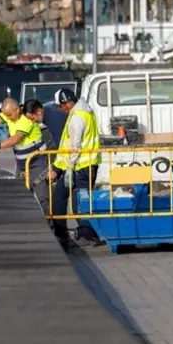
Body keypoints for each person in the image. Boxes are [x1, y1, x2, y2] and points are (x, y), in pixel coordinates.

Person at [0, 98, 63, 246]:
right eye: (7, 115)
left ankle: (51, 235)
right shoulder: (9, 114)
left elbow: (16, 138)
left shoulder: (26, 119)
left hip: (38, 163)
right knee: (21, 197)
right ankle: (24, 232)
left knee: (44, 198)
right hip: (23, 165)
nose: (8, 118)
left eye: (10, 115)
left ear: (17, 110)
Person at [49, 88, 103, 247]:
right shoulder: (86, 111)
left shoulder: (77, 117)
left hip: (79, 167)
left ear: (68, 103)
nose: (60, 109)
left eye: (60, 106)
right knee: (81, 202)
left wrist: (67, 169)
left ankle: (64, 235)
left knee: (63, 198)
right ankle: (87, 234)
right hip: (86, 165)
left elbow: (74, 146)